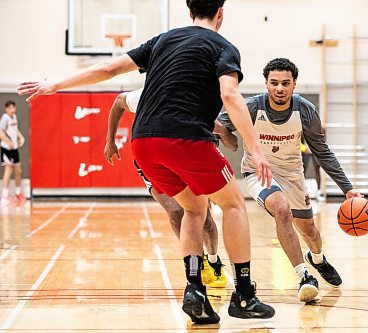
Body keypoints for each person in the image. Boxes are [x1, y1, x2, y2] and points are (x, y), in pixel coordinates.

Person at [18, 0, 275, 324]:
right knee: (234, 204)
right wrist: (256, 148)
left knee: (194, 210)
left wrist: (55, 84)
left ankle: (194, 288)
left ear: (189, 11)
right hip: (187, 139)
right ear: (220, 13)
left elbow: (109, 69)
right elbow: (229, 95)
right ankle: (244, 295)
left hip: (143, 143)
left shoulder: (162, 40)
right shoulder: (223, 46)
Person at [216, 58, 362, 302]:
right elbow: (221, 127)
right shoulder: (251, 107)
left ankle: (317, 259)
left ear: (294, 84)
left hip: (293, 173)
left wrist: (347, 189)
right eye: (274, 83)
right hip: (258, 172)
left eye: (285, 83)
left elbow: (322, 152)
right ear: (266, 84)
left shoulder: (305, 111)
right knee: (282, 209)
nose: (279, 88)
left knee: (310, 231)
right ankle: (304, 276)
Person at [104, 89, 229, 288]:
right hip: (153, 159)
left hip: (188, 155)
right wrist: (110, 141)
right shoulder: (148, 93)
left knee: (205, 217)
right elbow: (119, 101)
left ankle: (214, 260)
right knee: (176, 210)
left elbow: (214, 129)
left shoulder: (191, 95)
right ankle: (197, 259)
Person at [0, 100, 26, 205]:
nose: (12, 110)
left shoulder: (14, 117)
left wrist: (21, 137)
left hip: (14, 148)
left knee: (18, 170)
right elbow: (0, 132)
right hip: (7, 148)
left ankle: (18, 193)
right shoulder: (5, 118)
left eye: (13, 108)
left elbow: (15, 129)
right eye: (10, 108)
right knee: (8, 169)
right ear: (6, 109)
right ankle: (4, 195)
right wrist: (8, 141)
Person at [301, 135, 324, 202]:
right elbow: (297, 141)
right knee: (302, 171)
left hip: (315, 151)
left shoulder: (319, 128)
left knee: (317, 170)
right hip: (304, 151)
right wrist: (303, 148)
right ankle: (302, 193)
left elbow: (322, 140)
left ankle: (319, 193)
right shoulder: (301, 127)